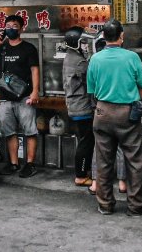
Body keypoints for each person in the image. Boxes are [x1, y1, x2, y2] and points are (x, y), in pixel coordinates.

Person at [87, 19, 142, 216]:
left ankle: (105, 204)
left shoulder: (95, 59)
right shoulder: (132, 58)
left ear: (103, 37)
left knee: (104, 161)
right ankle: (136, 206)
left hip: (102, 112)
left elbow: (92, 89)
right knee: (135, 161)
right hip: (127, 114)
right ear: (122, 36)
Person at [0, 14, 40, 178]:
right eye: (8, 26)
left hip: (24, 97)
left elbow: (35, 70)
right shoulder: (2, 48)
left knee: (30, 131)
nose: (11, 29)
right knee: (9, 132)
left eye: (15, 26)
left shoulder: (29, 48)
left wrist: (35, 91)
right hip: (5, 97)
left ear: (22, 28)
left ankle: (30, 164)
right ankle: (14, 163)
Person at [62, 27, 95, 187]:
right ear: (75, 43)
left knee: (84, 140)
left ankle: (84, 172)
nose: (86, 45)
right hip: (82, 106)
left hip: (74, 105)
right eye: (82, 42)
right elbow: (92, 80)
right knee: (86, 141)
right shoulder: (79, 61)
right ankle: (81, 175)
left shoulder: (70, 56)